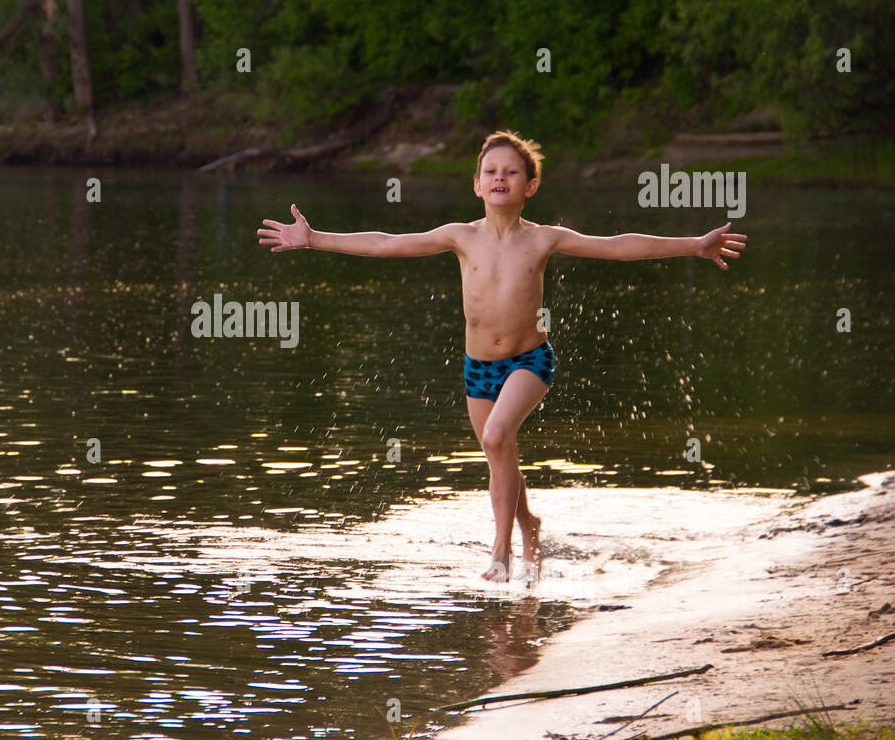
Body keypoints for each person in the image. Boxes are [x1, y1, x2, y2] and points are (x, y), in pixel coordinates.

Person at [257, 129, 747, 583]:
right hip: (478, 370)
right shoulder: (460, 237)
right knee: (499, 454)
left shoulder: (543, 238)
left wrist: (694, 246)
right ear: (476, 185)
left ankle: (501, 551)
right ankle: (529, 526)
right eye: (491, 171)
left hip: (528, 363)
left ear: (530, 186)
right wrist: (315, 238)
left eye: (511, 172)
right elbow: (386, 243)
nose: (500, 178)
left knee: (495, 436)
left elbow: (618, 247)